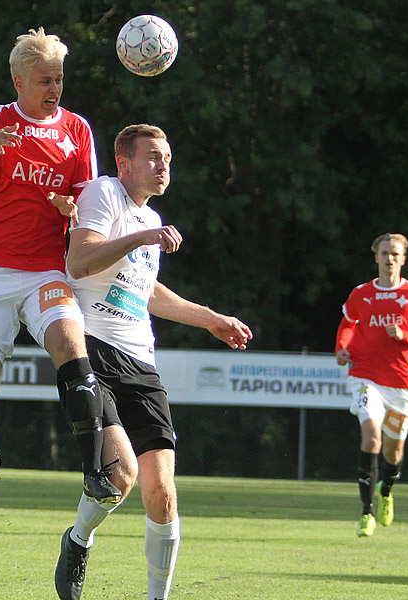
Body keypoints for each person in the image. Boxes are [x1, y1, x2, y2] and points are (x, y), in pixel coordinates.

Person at [53, 124, 253, 600]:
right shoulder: (104, 192)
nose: (164, 166)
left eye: (168, 158)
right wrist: (143, 235)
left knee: (161, 493)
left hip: (141, 363)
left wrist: (211, 319)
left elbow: (147, 292)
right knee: (119, 476)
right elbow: (80, 261)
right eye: (154, 157)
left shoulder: (151, 217)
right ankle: (78, 539)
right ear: (124, 164)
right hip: (92, 350)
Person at [0, 27, 121, 524]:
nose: (55, 89)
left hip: (47, 268)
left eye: (60, 79)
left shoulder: (77, 129)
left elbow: (84, 196)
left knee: (72, 348)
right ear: (19, 80)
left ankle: (94, 471)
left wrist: (69, 203)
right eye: (46, 80)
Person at [335, 233, 408, 537]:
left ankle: (387, 489)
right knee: (372, 440)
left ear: (403, 259)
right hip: (365, 376)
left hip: (402, 382)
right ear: (376, 257)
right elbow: (347, 324)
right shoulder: (361, 293)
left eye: (395, 254)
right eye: (384, 253)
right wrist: (342, 348)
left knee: (393, 453)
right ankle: (366, 513)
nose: (389, 258)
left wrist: (405, 336)